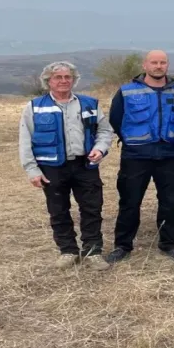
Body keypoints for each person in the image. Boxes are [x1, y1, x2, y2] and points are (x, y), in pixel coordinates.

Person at [19, 61, 113, 271]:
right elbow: (25, 140)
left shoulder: (90, 104)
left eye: (67, 77)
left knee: (92, 209)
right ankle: (68, 251)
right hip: (52, 167)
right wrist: (32, 170)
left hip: (85, 165)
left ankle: (93, 252)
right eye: (58, 77)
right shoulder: (34, 107)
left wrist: (100, 149)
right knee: (58, 210)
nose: (63, 81)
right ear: (48, 81)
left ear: (74, 80)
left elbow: (105, 131)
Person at [104, 50, 174, 264]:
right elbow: (116, 119)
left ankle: (169, 243)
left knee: (169, 202)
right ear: (145, 65)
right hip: (136, 156)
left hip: (169, 154)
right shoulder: (127, 91)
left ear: (167, 65)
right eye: (154, 62)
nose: (158, 66)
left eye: (162, 62)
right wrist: (133, 139)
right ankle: (123, 246)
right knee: (130, 202)